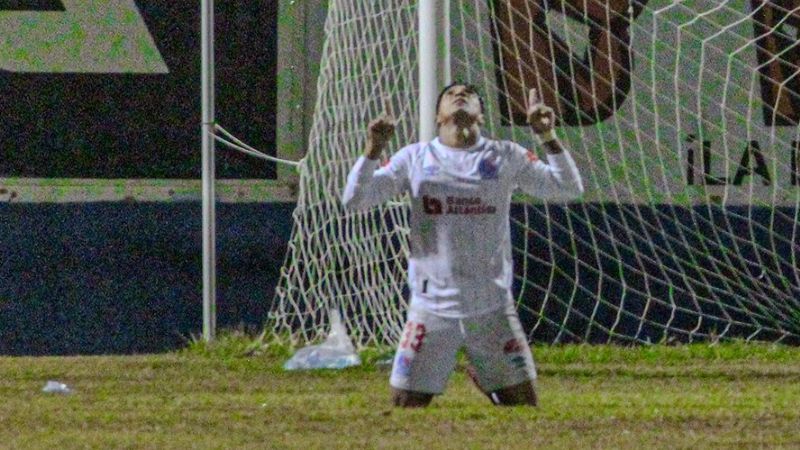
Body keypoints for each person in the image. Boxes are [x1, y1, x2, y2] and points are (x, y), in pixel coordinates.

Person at [342, 83, 583, 407]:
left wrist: (547, 136)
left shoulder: (505, 155)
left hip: (491, 306)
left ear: (480, 115)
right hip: (431, 306)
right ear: (438, 116)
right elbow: (355, 200)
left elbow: (567, 188)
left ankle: (488, 378)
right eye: (451, 93)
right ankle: (474, 374)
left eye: (468, 94)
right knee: (405, 408)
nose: (460, 95)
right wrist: (373, 150)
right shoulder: (414, 157)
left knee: (524, 409)